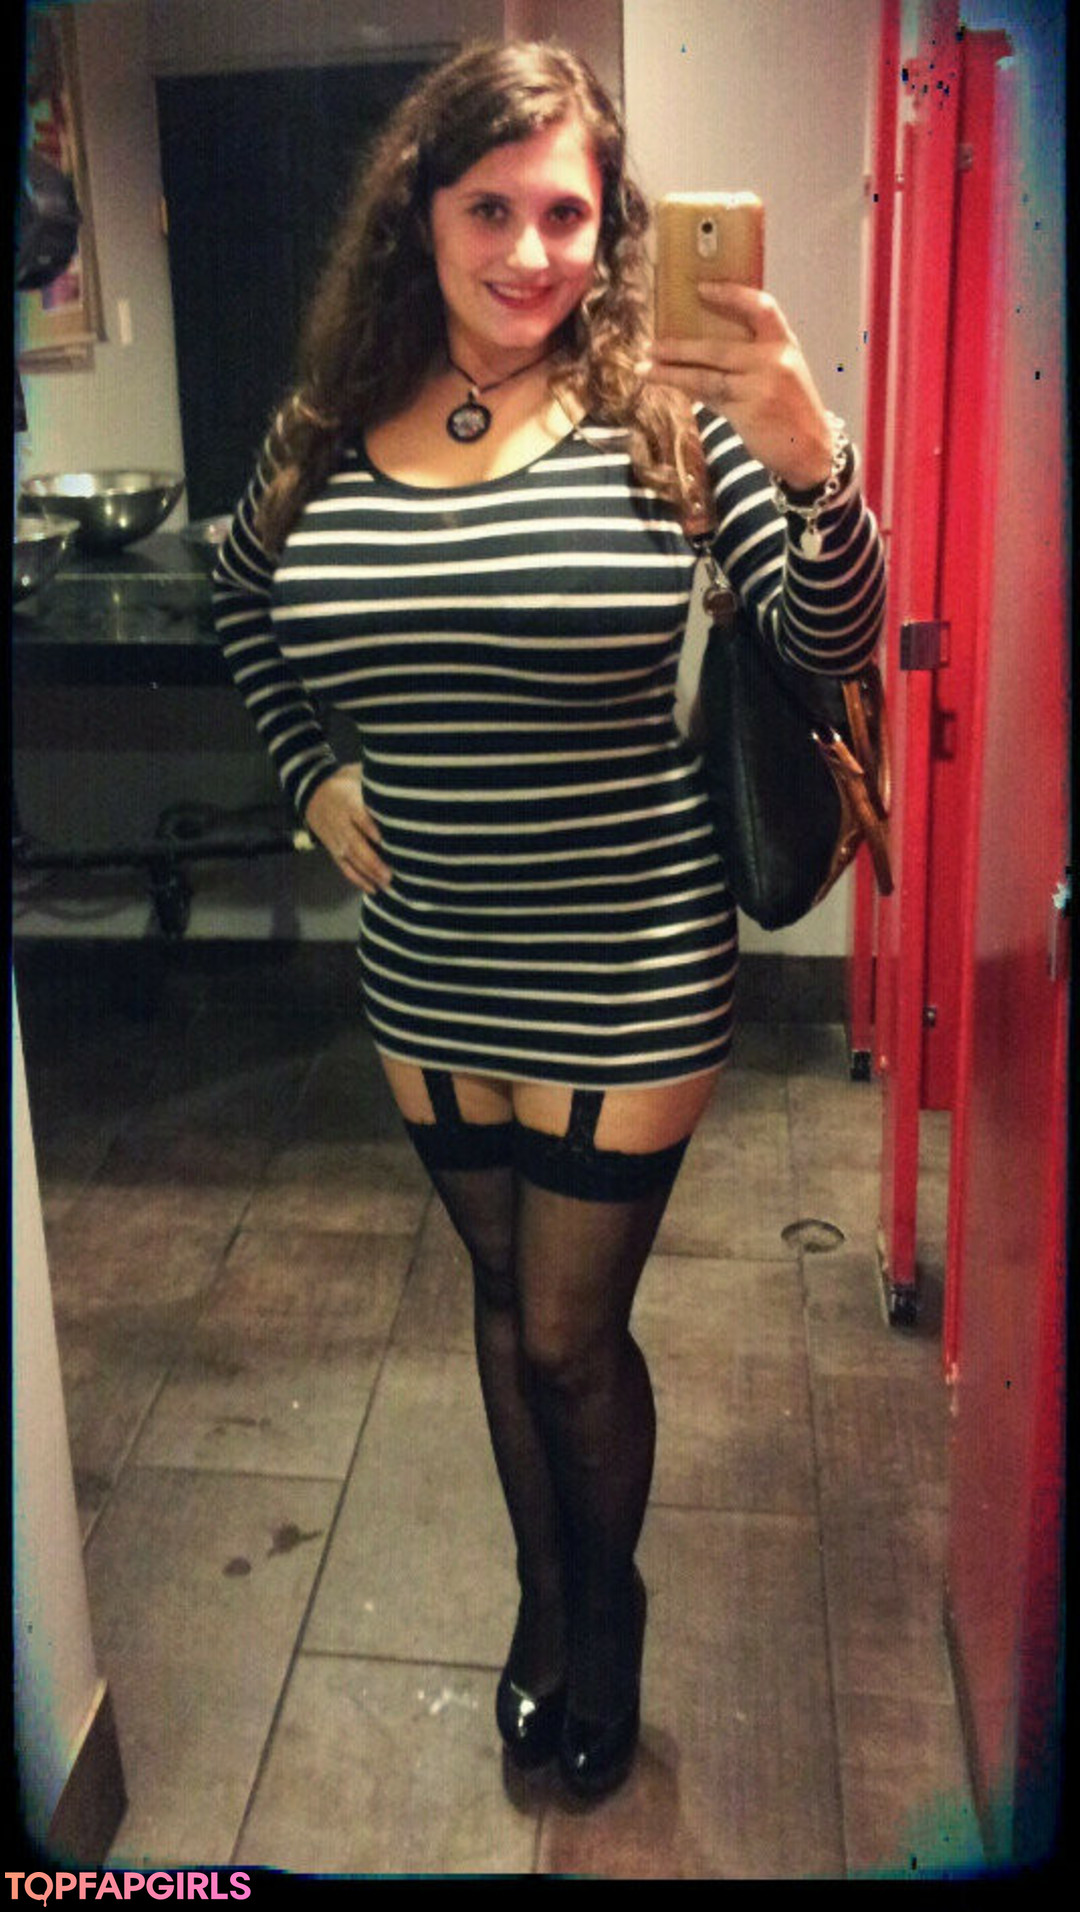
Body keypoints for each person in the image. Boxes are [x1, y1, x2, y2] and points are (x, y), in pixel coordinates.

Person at [211, 39, 885, 1801]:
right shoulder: (323, 427)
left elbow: (827, 643)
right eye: (490, 209)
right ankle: (543, 1595)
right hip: (430, 961)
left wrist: (815, 465)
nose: (531, 251)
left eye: (568, 215)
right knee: (505, 1299)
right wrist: (307, 772)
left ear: (613, 226)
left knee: (574, 1334)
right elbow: (240, 599)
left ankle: (612, 1612)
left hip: (627, 960)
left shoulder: (666, 413)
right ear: (419, 215)